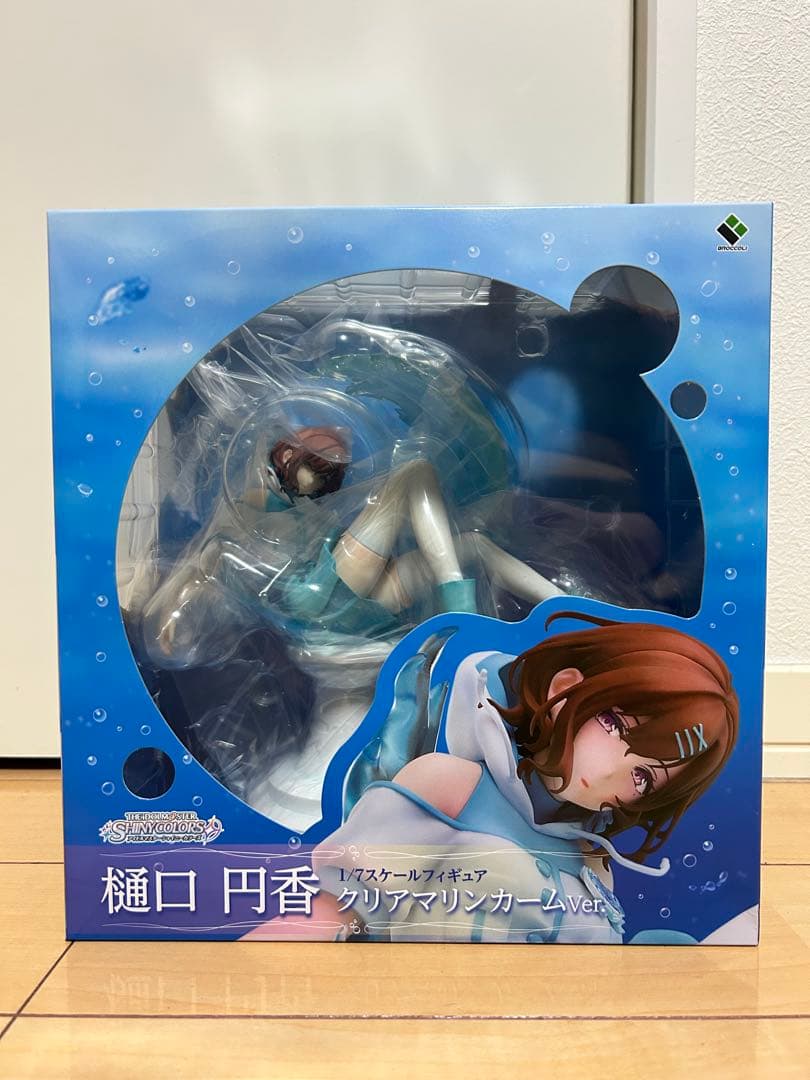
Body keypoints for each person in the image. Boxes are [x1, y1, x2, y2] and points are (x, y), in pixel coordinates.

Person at [244, 611, 739, 942]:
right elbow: (338, 906)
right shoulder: (452, 786)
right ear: (565, 689)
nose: (612, 771)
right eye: (614, 726)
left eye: (644, 778)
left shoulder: (593, 864)